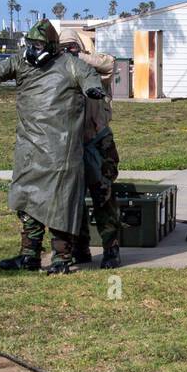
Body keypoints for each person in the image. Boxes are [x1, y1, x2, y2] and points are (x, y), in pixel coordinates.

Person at [0, 19, 105, 274]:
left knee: (60, 205)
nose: (34, 50)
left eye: (39, 44)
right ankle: (29, 255)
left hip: (61, 151)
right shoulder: (22, 62)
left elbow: (89, 76)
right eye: (31, 44)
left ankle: (62, 256)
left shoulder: (70, 64)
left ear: (50, 45)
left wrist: (93, 90)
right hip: (29, 147)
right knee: (26, 201)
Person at [61, 28, 122, 270]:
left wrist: (78, 55)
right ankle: (80, 248)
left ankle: (111, 250)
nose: (67, 52)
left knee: (103, 198)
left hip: (98, 142)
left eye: (71, 46)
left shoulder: (95, 65)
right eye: (62, 47)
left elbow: (110, 65)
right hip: (71, 144)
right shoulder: (59, 69)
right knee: (73, 199)